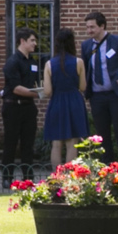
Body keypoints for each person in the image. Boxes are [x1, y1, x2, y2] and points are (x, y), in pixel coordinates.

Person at [81, 11, 118, 157]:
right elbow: (85, 69)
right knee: (102, 135)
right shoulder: (86, 46)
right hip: (97, 97)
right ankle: (106, 169)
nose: (89, 31)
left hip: (116, 95)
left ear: (102, 26)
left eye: (92, 27)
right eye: (87, 27)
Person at [40, 28, 90, 166]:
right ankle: (69, 178)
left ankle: (57, 177)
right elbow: (83, 87)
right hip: (74, 102)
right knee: (72, 142)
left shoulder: (49, 64)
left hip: (57, 102)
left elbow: (48, 91)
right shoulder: (78, 62)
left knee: (56, 143)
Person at [0, 28, 41, 178]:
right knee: (10, 143)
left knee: (28, 144)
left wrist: (38, 90)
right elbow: (16, 88)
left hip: (28, 107)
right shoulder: (13, 62)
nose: (35, 44)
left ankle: (28, 177)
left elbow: (35, 83)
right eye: (32, 40)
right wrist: (39, 93)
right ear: (22, 41)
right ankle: (7, 177)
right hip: (13, 106)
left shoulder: (33, 62)